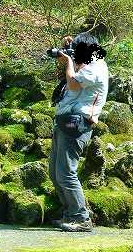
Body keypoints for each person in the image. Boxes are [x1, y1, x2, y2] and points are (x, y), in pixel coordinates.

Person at [49, 32, 108, 232]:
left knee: (66, 172)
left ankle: (81, 218)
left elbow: (73, 83)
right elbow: (73, 74)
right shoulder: (89, 63)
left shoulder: (97, 67)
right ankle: (70, 214)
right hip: (65, 121)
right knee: (55, 173)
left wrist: (68, 61)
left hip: (78, 123)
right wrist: (69, 50)